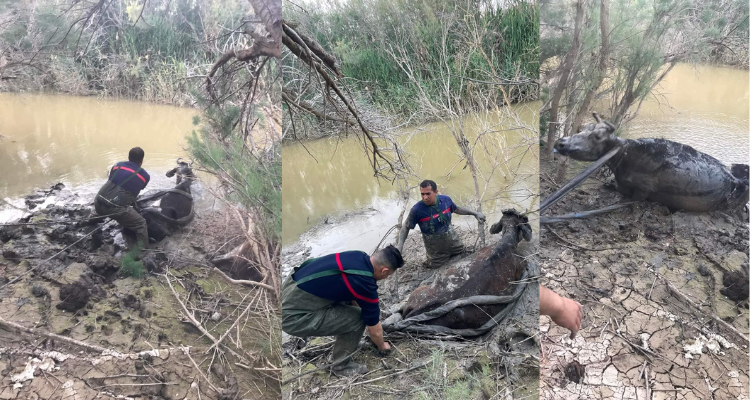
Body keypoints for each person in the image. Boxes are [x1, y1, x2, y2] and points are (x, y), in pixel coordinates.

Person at [282, 245, 404, 376]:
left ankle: (347, 341)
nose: (387, 277)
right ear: (384, 270)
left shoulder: (358, 255)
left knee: (353, 309)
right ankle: (341, 366)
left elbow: (354, 297)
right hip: (292, 318)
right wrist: (382, 346)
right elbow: (374, 329)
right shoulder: (365, 283)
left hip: (286, 295)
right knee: (358, 318)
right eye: (389, 275)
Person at [395, 180, 485, 268]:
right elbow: (405, 227)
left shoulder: (445, 200)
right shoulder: (417, 210)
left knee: (462, 255)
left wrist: (475, 213)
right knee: (436, 267)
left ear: (436, 192)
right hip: (435, 251)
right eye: (422, 194)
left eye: (428, 194)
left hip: (453, 242)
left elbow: (457, 209)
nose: (425, 197)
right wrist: (399, 247)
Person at [94, 147, 151, 249]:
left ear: (128, 157)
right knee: (141, 224)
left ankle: (90, 220)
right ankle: (144, 250)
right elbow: (135, 192)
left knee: (101, 208)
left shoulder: (117, 165)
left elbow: (112, 180)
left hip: (98, 201)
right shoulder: (145, 176)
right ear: (142, 160)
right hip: (115, 210)